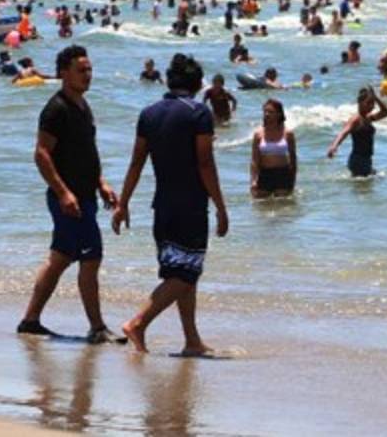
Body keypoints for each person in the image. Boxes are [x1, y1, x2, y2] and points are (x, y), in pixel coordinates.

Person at [112, 53, 229, 355]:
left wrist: (123, 204)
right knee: (187, 273)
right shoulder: (198, 113)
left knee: (181, 273)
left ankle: (192, 340)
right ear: (197, 83)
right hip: (190, 206)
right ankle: (138, 323)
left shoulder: (148, 114)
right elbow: (205, 163)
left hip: (162, 206)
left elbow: (136, 163)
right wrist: (220, 206)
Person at [17, 45, 122, 344]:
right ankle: (97, 328)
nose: (88, 75)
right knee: (92, 257)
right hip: (69, 201)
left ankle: (30, 321)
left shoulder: (83, 107)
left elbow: (87, 152)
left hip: (84, 196)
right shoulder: (56, 109)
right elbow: (41, 154)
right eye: (81, 70)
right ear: (64, 73)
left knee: (61, 258)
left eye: (89, 70)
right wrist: (63, 193)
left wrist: (101, 183)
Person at [327, 87, 387, 177]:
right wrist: (334, 146)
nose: (372, 106)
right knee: (369, 183)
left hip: (366, 160)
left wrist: (376, 97)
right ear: (360, 103)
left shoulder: (368, 118)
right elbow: (344, 132)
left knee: (370, 181)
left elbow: (386, 112)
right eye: (368, 103)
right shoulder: (356, 119)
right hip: (358, 160)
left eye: (373, 104)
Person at [250, 100, 297, 198]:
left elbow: (293, 159)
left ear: (279, 114)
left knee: (283, 204)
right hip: (264, 174)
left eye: (271, 112)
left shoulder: (288, 133)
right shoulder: (258, 134)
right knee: (261, 205)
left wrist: (293, 180)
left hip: (283, 173)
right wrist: (253, 180)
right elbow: (254, 161)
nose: (267, 114)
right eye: (265, 111)